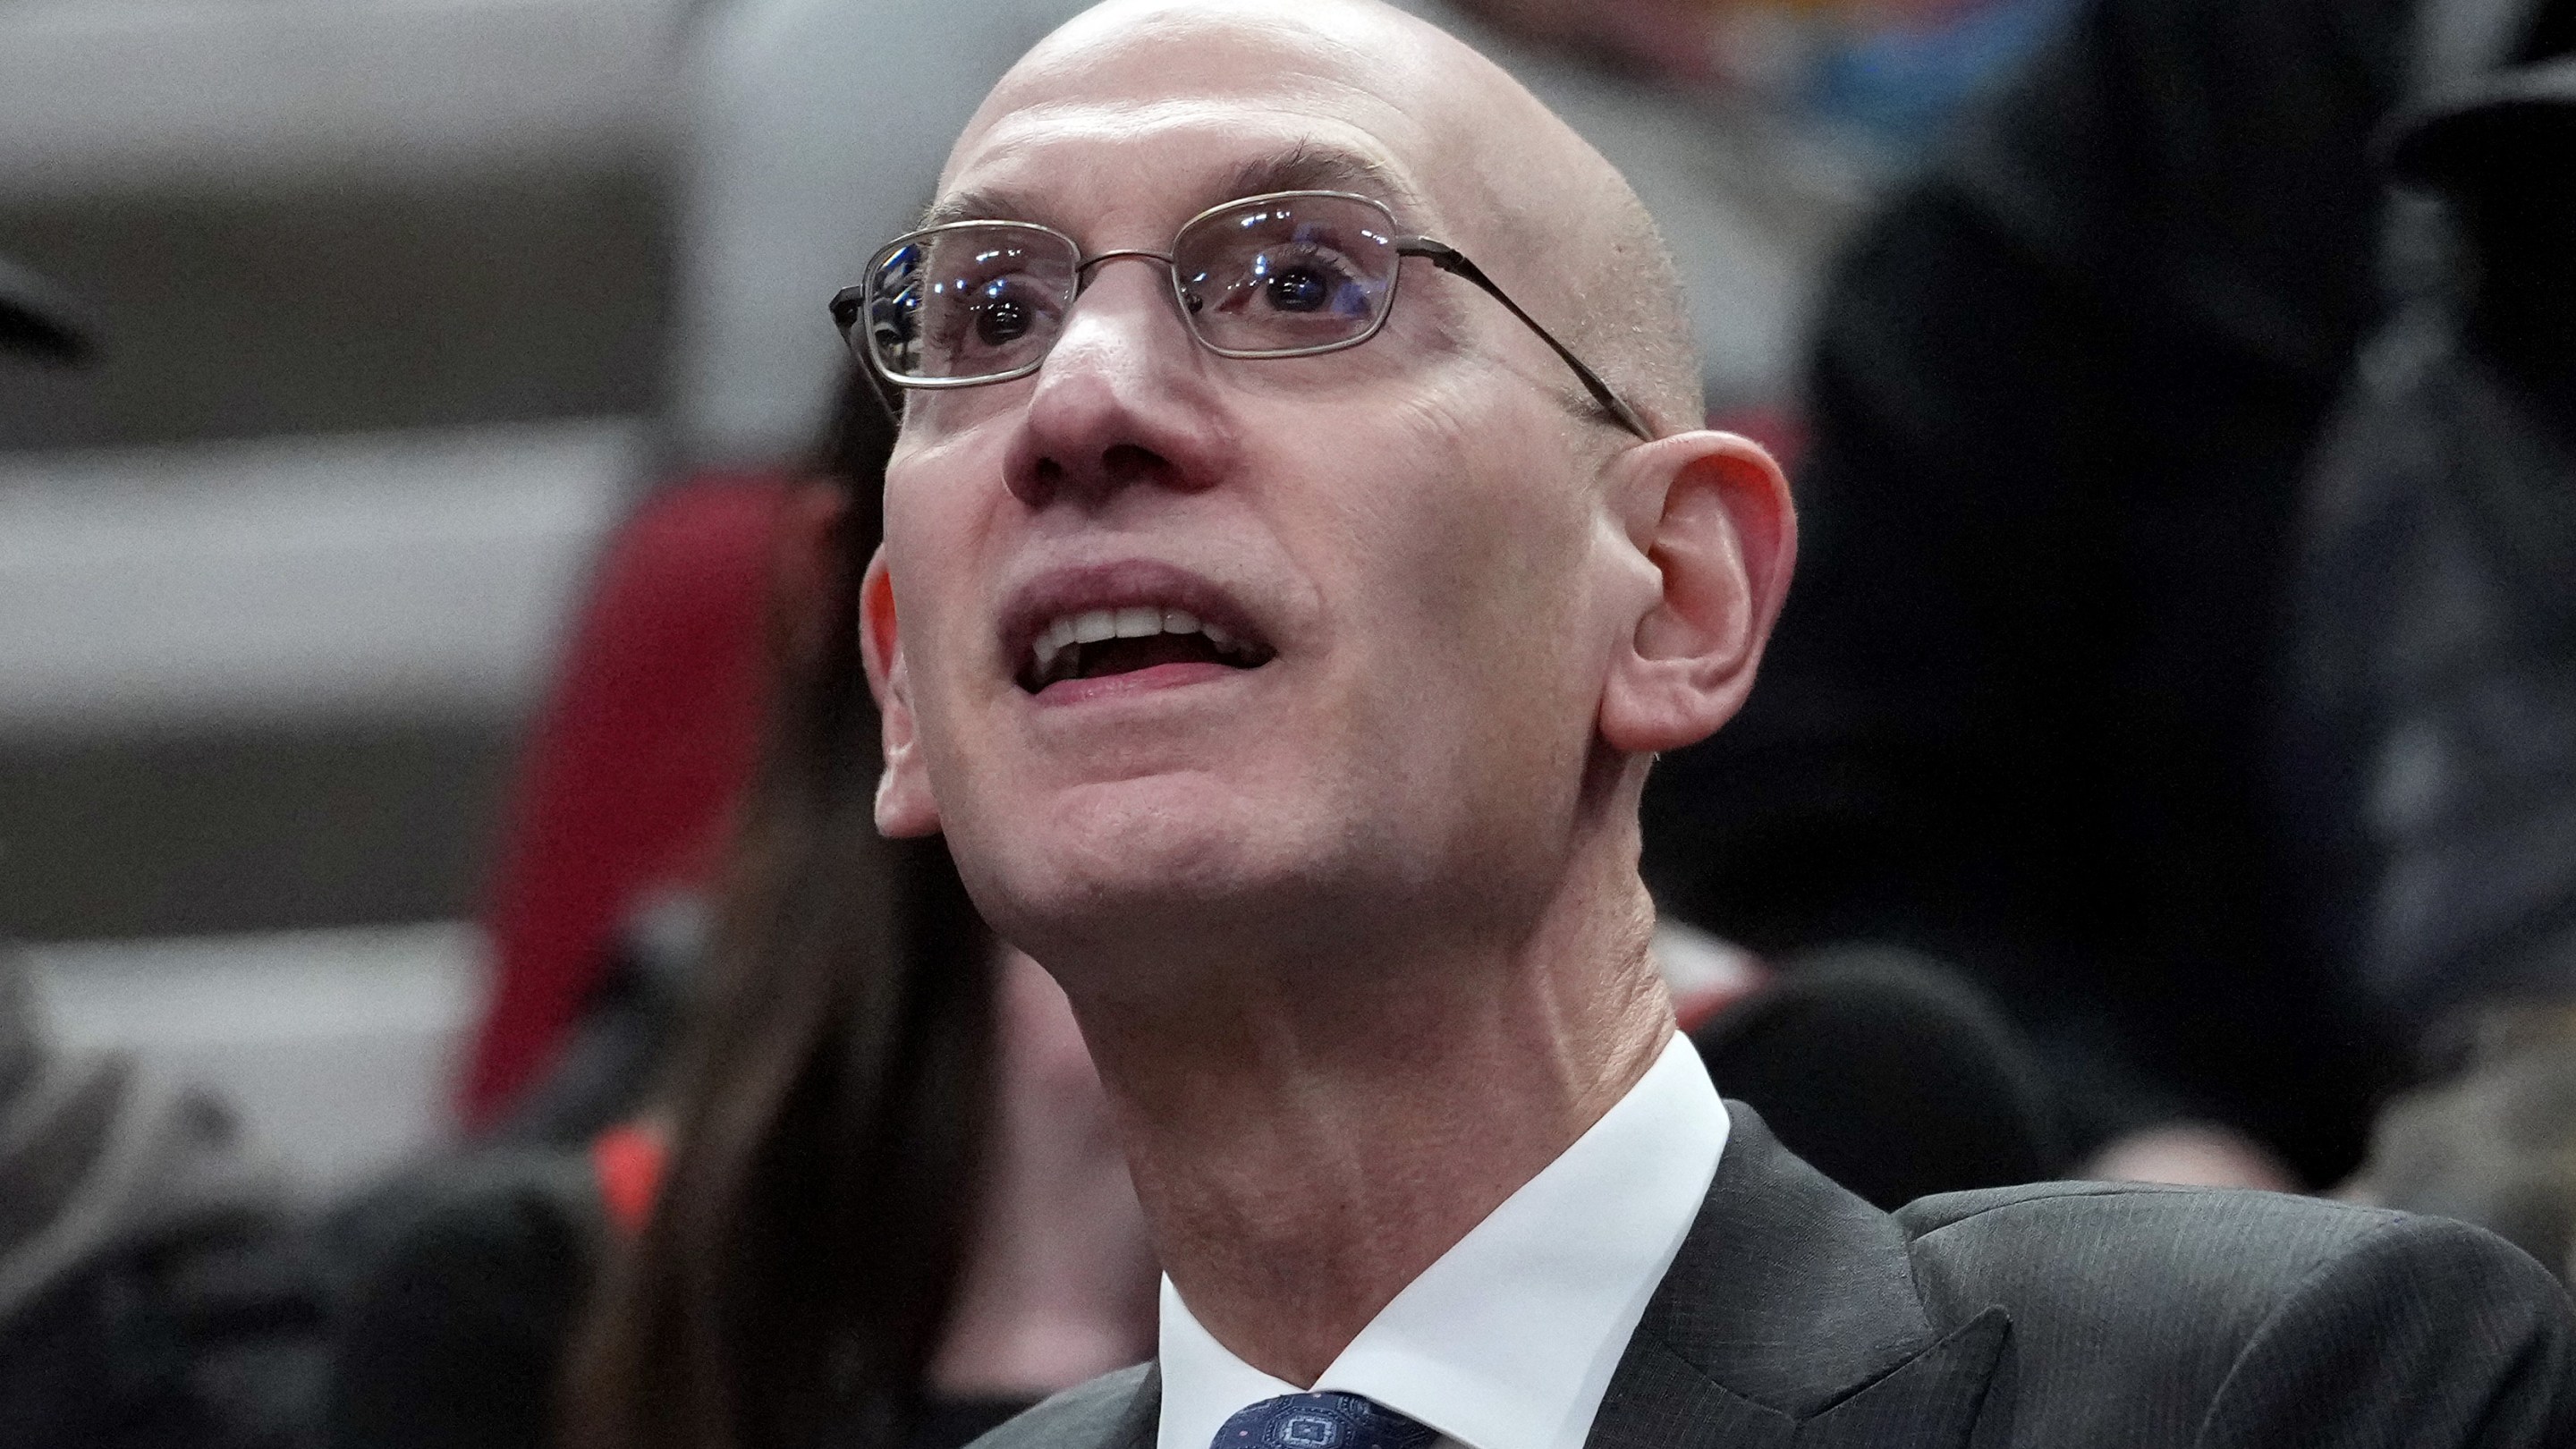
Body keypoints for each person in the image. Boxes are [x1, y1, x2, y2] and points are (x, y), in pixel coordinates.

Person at [843, 2, 2576, 1445]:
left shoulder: (2279, 1386)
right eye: (987, 315)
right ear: (903, 687)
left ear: (1681, 595)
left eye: (1302, 283)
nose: (1081, 398)